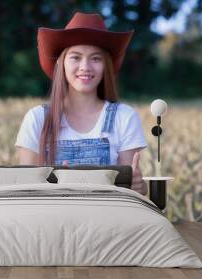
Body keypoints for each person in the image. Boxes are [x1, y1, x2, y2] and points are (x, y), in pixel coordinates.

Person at [14, 12, 148, 195]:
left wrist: (139, 186)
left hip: (108, 219)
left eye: (95, 58)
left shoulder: (124, 117)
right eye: (75, 57)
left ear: (105, 65)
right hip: (50, 220)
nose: (85, 66)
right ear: (61, 63)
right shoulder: (37, 118)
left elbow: (133, 191)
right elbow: (24, 190)